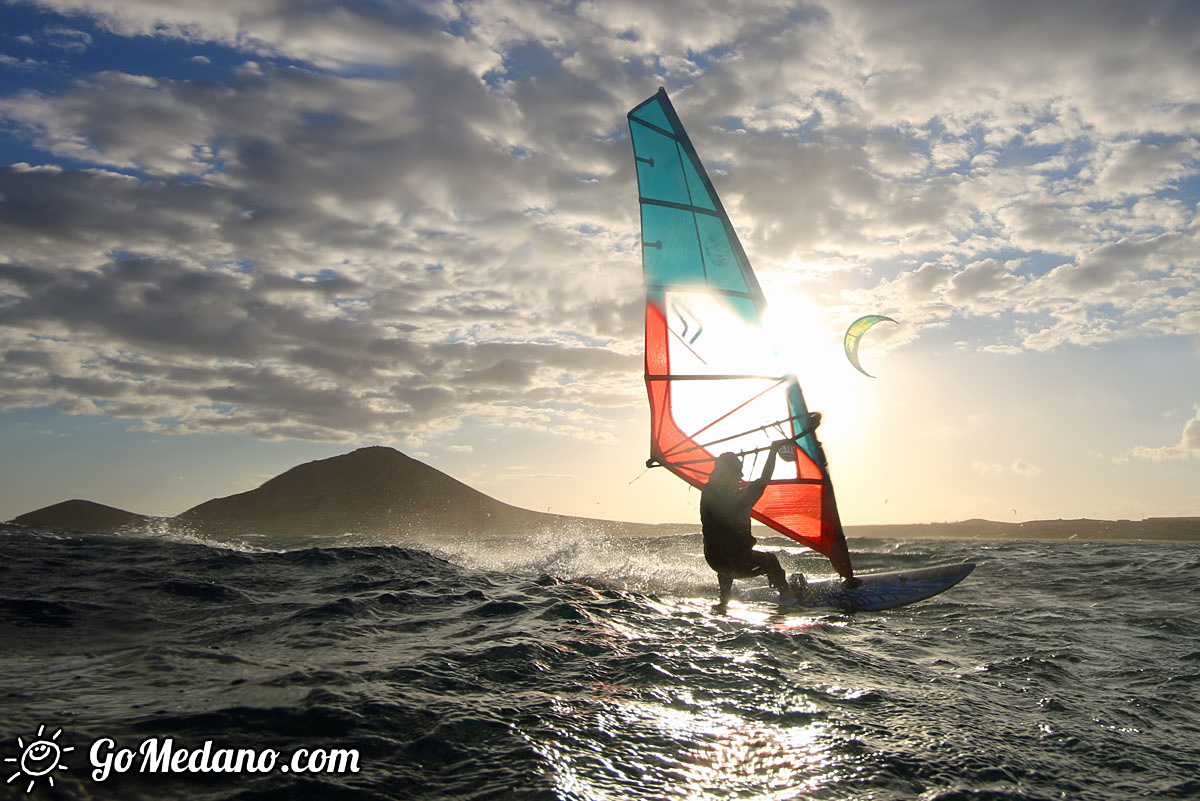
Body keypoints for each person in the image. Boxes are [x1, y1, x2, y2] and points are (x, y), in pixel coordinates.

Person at [700, 440, 805, 611]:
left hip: (714, 561)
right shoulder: (740, 499)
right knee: (771, 561)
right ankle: (787, 596)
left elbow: (721, 488)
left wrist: (729, 470)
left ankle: (724, 599)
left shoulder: (707, 492)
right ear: (730, 474)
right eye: (738, 472)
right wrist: (773, 451)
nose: (741, 474)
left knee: (723, 547)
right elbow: (763, 480)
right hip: (738, 562)